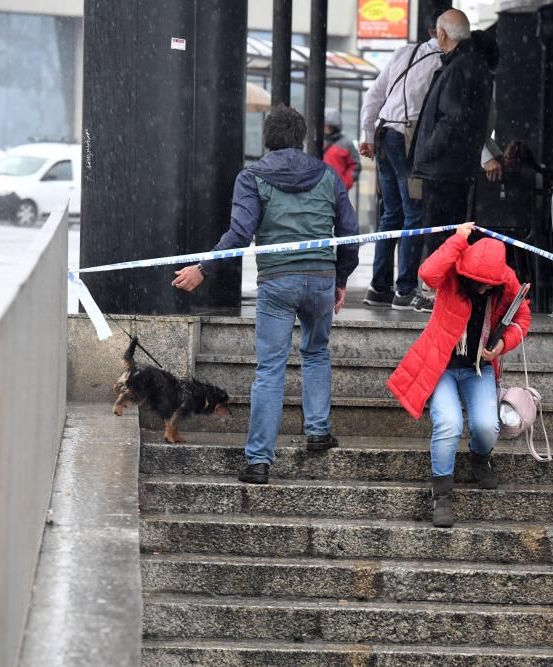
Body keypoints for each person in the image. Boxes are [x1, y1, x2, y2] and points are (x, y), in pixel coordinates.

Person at [172, 105, 359, 485]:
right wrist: (339, 278)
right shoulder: (327, 175)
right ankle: (318, 432)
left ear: (267, 139)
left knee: (270, 369)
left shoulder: (252, 177)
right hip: (321, 278)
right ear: (302, 138)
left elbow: (239, 234)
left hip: (277, 281)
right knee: (317, 351)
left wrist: (203, 269)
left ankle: (259, 461)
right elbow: (351, 232)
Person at [386, 222, 531, 528]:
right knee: (449, 423)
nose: (480, 288)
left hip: (479, 367)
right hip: (441, 367)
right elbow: (426, 273)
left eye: (486, 285)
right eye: (475, 282)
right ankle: (441, 496)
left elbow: (523, 316)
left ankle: (480, 457)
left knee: (486, 425)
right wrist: (458, 239)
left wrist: (503, 343)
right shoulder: (453, 271)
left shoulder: (505, 282)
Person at [358, 9, 444, 312]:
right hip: (408, 141)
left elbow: (374, 95)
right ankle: (405, 290)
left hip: (384, 135)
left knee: (391, 214)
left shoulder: (404, 53)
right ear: (439, 32)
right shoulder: (441, 63)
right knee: (413, 214)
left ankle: (378, 287)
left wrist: (367, 134)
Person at [410, 10, 494, 257]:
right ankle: (444, 291)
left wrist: (427, 151)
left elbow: (451, 119)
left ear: (442, 34)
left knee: (439, 240)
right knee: (449, 239)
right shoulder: (472, 64)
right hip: (456, 168)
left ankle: (440, 293)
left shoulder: (459, 67)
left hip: (444, 170)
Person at [322, 108, 360, 190]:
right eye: (326, 126)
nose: (328, 129)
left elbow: (355, 165)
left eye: (330, 126)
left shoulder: (346, 143)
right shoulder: (316, 140)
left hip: (337, 189)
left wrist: (345, 183)